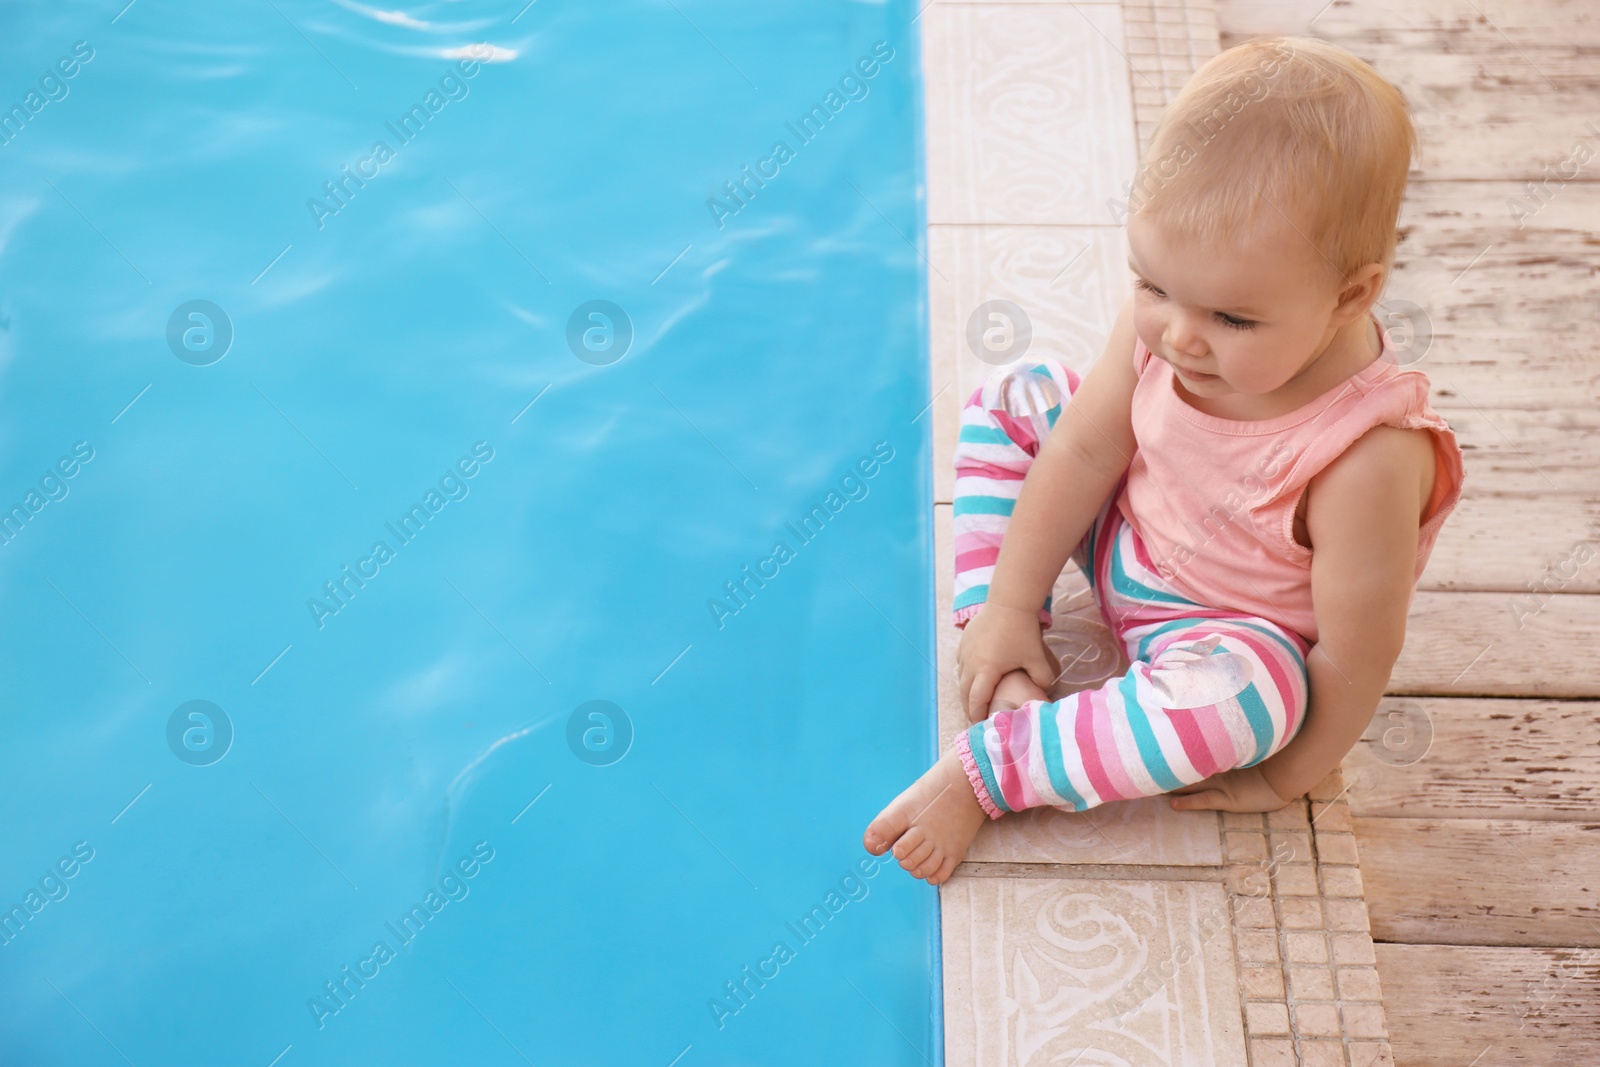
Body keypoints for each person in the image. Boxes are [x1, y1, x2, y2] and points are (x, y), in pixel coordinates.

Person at [863, 35, 1466, 887]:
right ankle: (997, 642)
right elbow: (1082, 447)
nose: (1179, 335)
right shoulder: (1178, 323)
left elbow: (1355, 654)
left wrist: (1288, 773)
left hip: (1219, 630)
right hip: (1125, 527)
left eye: (1234, 319)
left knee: (1259, 704)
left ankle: (998, 766)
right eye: (1152, 286)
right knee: (1018, 394)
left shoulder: (1367, 455)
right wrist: (1010, 599)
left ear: (1350, 296)